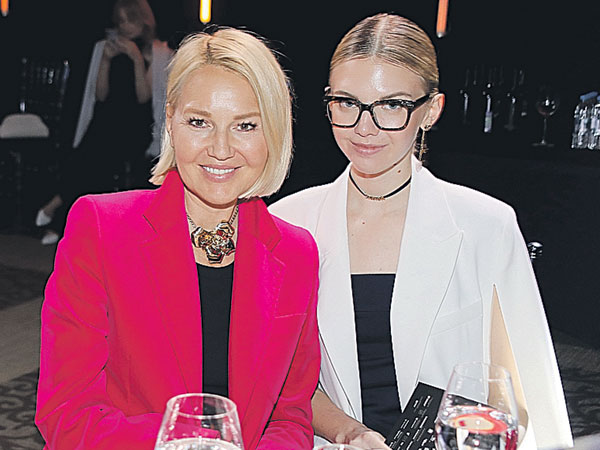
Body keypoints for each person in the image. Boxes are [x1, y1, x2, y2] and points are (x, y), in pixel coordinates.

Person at [270, 13, 572, 450]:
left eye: (392, 105)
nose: (364, 127)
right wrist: (351, 434)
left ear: (431, 110)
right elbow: (283, 382)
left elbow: (524, 395)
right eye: (347, 103)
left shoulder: (486, 225)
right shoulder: (289, 223)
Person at [35, 28, 320, 450]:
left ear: (274, 131)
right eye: (199, 122)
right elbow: (67, 412)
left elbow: (291, 415)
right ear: (170, 121)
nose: (221, 149)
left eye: (245, 125)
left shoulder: (296, 253)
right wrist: (192, 442)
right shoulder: (101, 228)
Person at [35, 0, 172, 245]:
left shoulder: (156, 51)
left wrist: (136, 59)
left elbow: (144, 97)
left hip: (136, 125)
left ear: (143, 21)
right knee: (88, 158)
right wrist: (106, 61)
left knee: (97, 157)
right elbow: (100, 95)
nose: (125, 26)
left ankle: (58, 209)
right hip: (106, 119)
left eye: (130, 20)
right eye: (121, 21)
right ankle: (69, 224)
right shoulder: (106, 46)